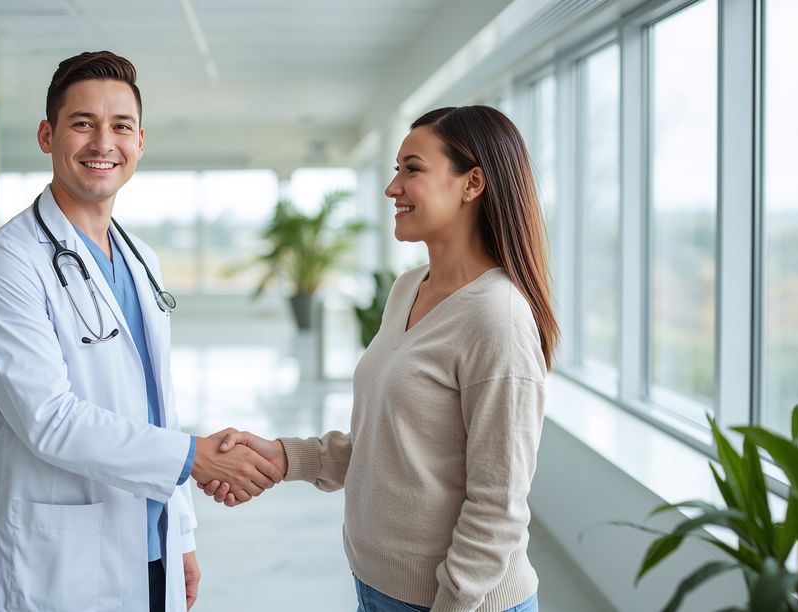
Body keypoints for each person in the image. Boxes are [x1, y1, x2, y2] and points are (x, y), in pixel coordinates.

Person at [0, 51, 282, 612]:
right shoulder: (7, 262)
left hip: (150, 541)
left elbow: (159, 408)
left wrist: (180, 534)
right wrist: (193, 459)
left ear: (139, 142)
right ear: (46, 135)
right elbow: (49, 420)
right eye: (83, 123)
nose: (103, 142)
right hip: (56, 557)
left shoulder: (142, 259)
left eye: (121, 126)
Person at [199, 105, 558, 612]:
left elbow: (497, 507)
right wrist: (282, 457)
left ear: (472, 183)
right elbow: (389, 442)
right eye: (395, 170)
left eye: (412, 169)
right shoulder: (409, 288)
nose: (392, 188)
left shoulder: (497, 317)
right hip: (378, 584)